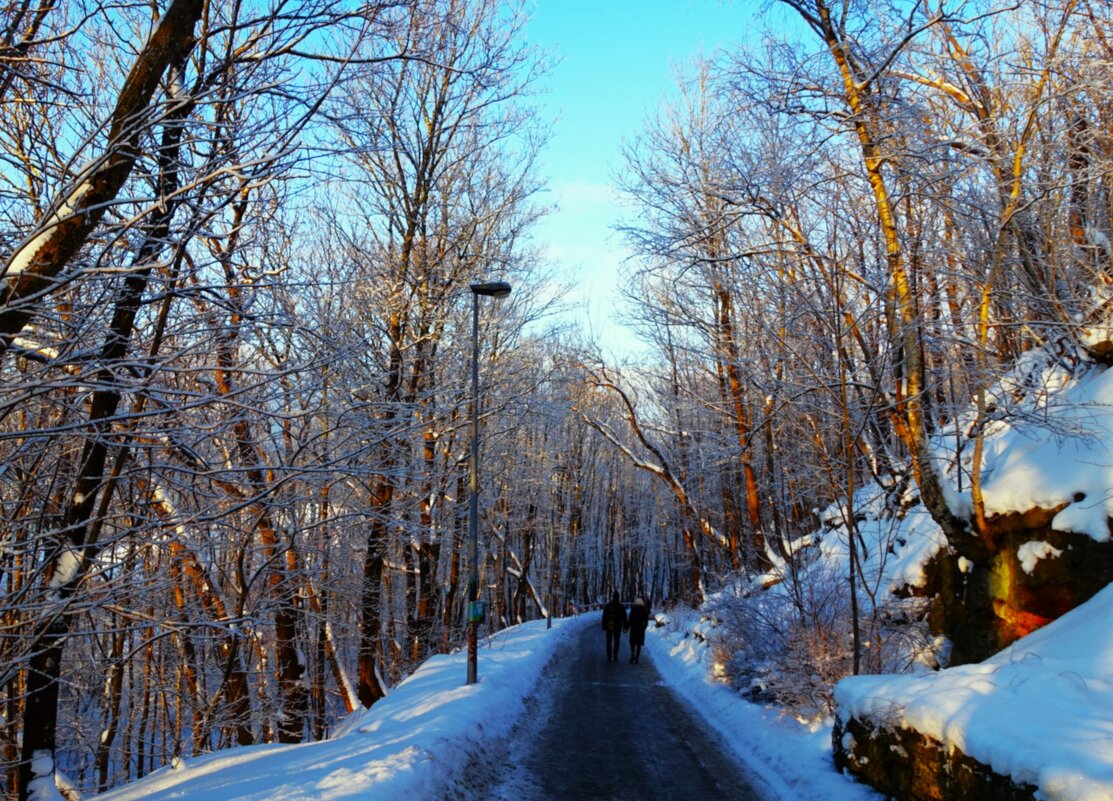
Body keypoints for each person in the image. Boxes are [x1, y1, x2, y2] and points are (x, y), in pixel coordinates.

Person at [601, 592, 626, 663]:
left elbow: (604, 616)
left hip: (609, 626)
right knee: (616, 641)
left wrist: (604, 626)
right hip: (618, 626)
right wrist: (625, 626)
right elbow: (624, 617)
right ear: (618, 597)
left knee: (609, 641)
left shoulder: (608, 606)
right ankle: (615, 655)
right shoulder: (621, 606)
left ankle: (609, 656)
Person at [627, 597, 650, 664]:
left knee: (633, 642)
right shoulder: (644, 611)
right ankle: (637, 658)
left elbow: (630, 620)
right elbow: (646, 622)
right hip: (640, 629)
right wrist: (643, 628)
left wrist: (627, 627)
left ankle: (632, 654)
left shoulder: (633, 609)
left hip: (634, 628)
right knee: (639, 644)